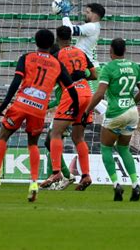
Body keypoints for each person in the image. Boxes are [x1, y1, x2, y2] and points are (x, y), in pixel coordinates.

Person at [0, 29, 79, 202]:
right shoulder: (58, 64)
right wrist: (77, 108)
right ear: (52, 44)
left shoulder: (26, 57)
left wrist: (4, 105)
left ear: (36, 42)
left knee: (3, 136)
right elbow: (71, 89)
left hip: (21, 104)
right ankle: (34, 182)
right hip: (39, 109)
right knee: (33, 144)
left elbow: (15, 82)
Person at [82, 38, 140, 201]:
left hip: (115, 112)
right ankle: (135, 185)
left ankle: (116, 184)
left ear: (111, 50)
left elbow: (99, 94)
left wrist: (87, 111)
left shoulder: (108, 68)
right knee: (124, 149)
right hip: (132, 112)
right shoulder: (134, 66)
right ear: (125, 50)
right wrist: (132, 103)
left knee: (106, 148)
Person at [41, 26, 97, 191]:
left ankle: (57, 172)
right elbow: (94, 75)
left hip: (71, 95)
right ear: (71, 37)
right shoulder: (81, 53)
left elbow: (52, 79)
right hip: (87, 94)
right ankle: (86, 174)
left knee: (55, 134)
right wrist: (82, 75)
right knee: (78, 138)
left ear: (57, 39)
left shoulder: (57, 56)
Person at [56, 0, 107, 114]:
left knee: (92, 101)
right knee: (89, 99)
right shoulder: (93, 27)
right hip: (87, 66)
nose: (85, 14)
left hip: (89, 68)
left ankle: (113, 122)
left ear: (94, 14)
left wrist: (65, 15)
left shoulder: (92, 27)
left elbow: (68, 31)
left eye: (87, 12)